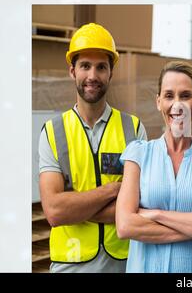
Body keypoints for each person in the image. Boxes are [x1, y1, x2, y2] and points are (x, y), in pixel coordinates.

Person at [38, 23, 147, 273]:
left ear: (111, 72)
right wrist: (114, 190)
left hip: (125, 264)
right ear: (72, 71)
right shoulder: (53, 132)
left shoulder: (134, 129)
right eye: (85, 65)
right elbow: (54, 211)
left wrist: (75, 207)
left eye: (101, 67)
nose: (92, 76)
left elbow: (141, 205)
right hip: (70, 265)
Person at [115, 61, 192, 273]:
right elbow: (125, 225)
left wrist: (156, 214)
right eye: (169, 96)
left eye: (185, 96)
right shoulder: (138, 154)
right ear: (158, 101)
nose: (177, 105)